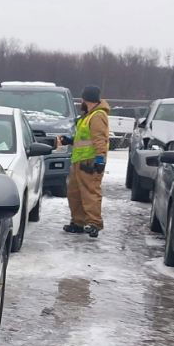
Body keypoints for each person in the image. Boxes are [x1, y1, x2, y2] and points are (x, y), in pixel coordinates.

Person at [60, 85, 110, 237]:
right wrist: (70, 140)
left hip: (90, 161)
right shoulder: (88, 115)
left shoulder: (97, 116)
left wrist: (100, 158)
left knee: (90, 193)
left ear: (85, 99)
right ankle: (78, 222)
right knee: (74, 193)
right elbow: (84, 139)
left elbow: (99, 139)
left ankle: (94, 223)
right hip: (79, 161)